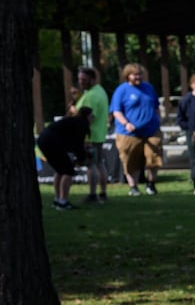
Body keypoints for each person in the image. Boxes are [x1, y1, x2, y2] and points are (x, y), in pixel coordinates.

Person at [109, 62, 162, 196]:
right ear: (128, 76)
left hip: (151, 130)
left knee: (154, 157)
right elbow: (116, 111)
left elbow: (156, 106)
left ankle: (151, 184)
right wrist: (126, 123)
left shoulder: (149, 88)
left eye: (140, 74)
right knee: (130, 160)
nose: (138, 77)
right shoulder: (121, 90)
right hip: (129, 133)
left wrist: (158, 120)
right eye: (135, 75)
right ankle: (133, 187)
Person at [36, 107, 93, 211]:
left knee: (60, 170)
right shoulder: (82, 124)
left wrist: (80, 154)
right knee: (68, 171)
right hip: (51, 141)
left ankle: (57, 200)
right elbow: (77, 145)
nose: (93, 118)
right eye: (92, 116)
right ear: (88, 116)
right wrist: (83, 158)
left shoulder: (74, 121)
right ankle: (63, 202)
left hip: (43, 139)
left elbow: (72, 143)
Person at [72, 66, 110, 204]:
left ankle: (93, 194)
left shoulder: (92, 96)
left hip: (90, 136)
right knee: (99, 164)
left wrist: (74, 112)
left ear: (93, 79)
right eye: (79, 79)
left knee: (91, 165)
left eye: (84, 80)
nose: (81, 82)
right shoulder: (100, 91)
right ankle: (103, 193)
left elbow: (88, 117)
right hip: (98, 134)